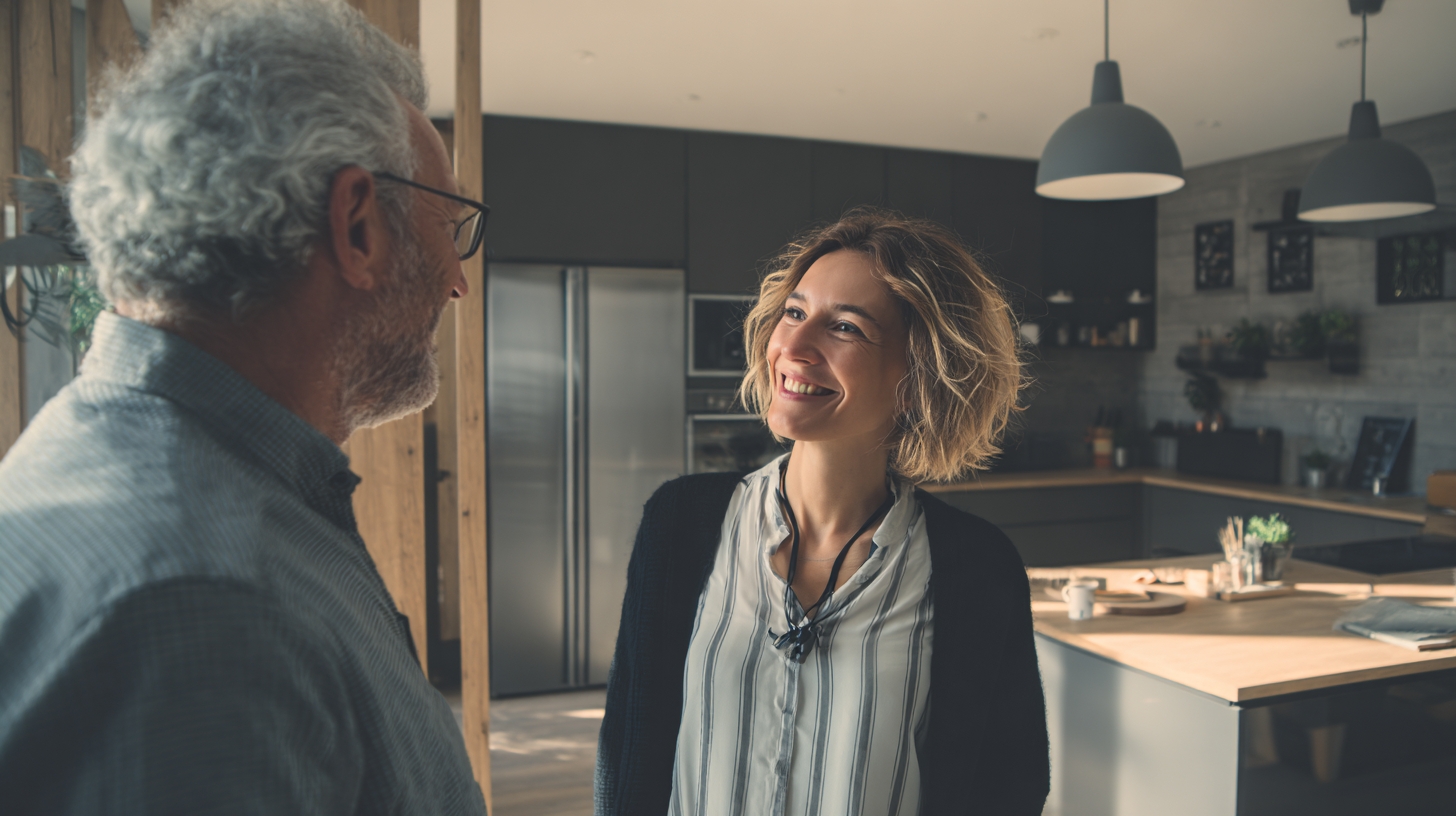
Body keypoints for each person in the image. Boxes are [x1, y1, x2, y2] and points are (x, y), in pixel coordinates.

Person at [0, 1, 489, 812]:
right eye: (450, 226)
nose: (457, 279)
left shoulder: (114, 464)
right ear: (358, 225)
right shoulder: (207, 606)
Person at [596, 209, 1049, 816]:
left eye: (846, 327)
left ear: (918, 374)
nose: (794, 346)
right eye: (794, 312)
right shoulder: (679, 523)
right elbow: (626, 753)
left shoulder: (978, 569)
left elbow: (1008, 787)